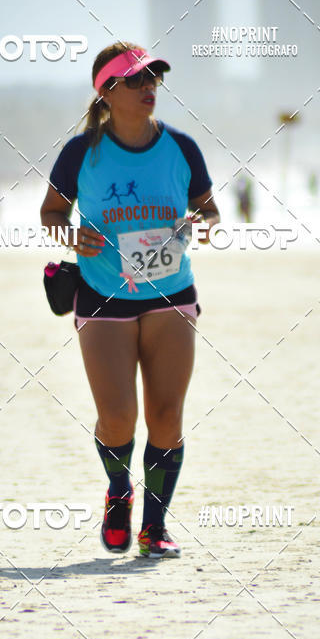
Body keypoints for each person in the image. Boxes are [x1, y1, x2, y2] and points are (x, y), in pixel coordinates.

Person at [41, 41, 219, 559]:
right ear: (108, 92)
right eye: (137, 79)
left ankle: (154, 528)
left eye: (153, 78)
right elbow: (51, 213)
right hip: (103, 295)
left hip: (172, 293)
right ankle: (119, 491)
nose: (149, 87)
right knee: (118, 418)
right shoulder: (81, 152)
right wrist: (70, 236)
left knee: (166, 416)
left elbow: (209, 210)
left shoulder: (181, 147)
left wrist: (201, 224)